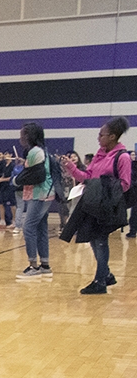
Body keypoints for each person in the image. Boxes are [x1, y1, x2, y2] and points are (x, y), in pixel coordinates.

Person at [62, 117, 131, 295]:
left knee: (100, 242)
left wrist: (104, 189)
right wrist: (71, 168)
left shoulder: (122, 157)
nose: (98, 138)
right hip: (93, 203)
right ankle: (106, 274)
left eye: (102, 135)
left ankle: (100, 282)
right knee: (93, 239)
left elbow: (125, 184)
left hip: (106, 207)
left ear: (113, 136)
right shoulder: (100, 155)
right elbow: (87, 177)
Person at [15, 122, 55, 279]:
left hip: (39, 194)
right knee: (41, 228)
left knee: (28, 228)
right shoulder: (42, 151)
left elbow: (35, 175)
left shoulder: (34, 152)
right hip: (45, 193)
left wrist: (16, 180)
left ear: (29, 136)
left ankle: (33, 266)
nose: (20, 139)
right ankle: (45, 265)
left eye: (22, 135)